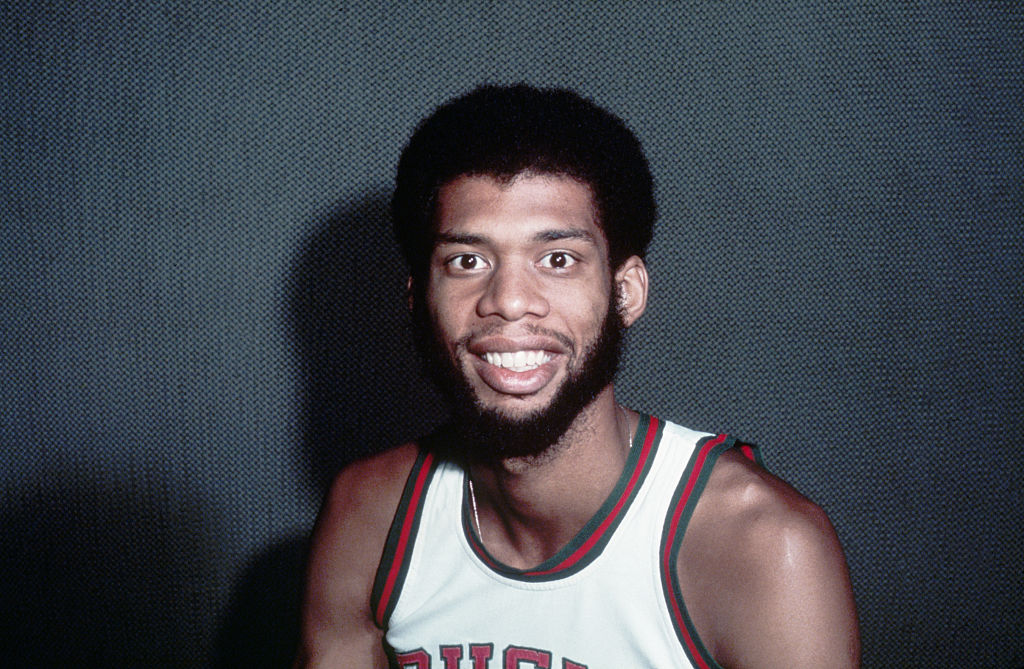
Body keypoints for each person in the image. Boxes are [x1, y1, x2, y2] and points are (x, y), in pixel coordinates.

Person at [295, 84, 859, 668]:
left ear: (626, 291)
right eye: (468, 261)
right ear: (418, 299)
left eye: (557, 259)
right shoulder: (372, 516)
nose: (510, 302)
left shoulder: (760, 550)